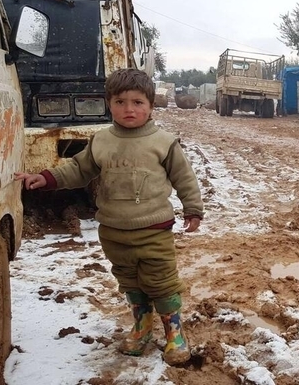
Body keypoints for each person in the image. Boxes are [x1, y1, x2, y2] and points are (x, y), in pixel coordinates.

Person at [15, 69, 204, 366]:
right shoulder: (101, 140)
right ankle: (141, 327)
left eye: (138, 102)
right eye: (120, 101)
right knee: (129, 282)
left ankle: (173, 332)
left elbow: (185, 178)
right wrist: (46, 177)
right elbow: (78, 169)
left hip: (153, 229)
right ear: (109, 104)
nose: (129, 109)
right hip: (114, 231)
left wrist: (192, 209)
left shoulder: (164, 142)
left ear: (151, 106)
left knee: (162, 283)